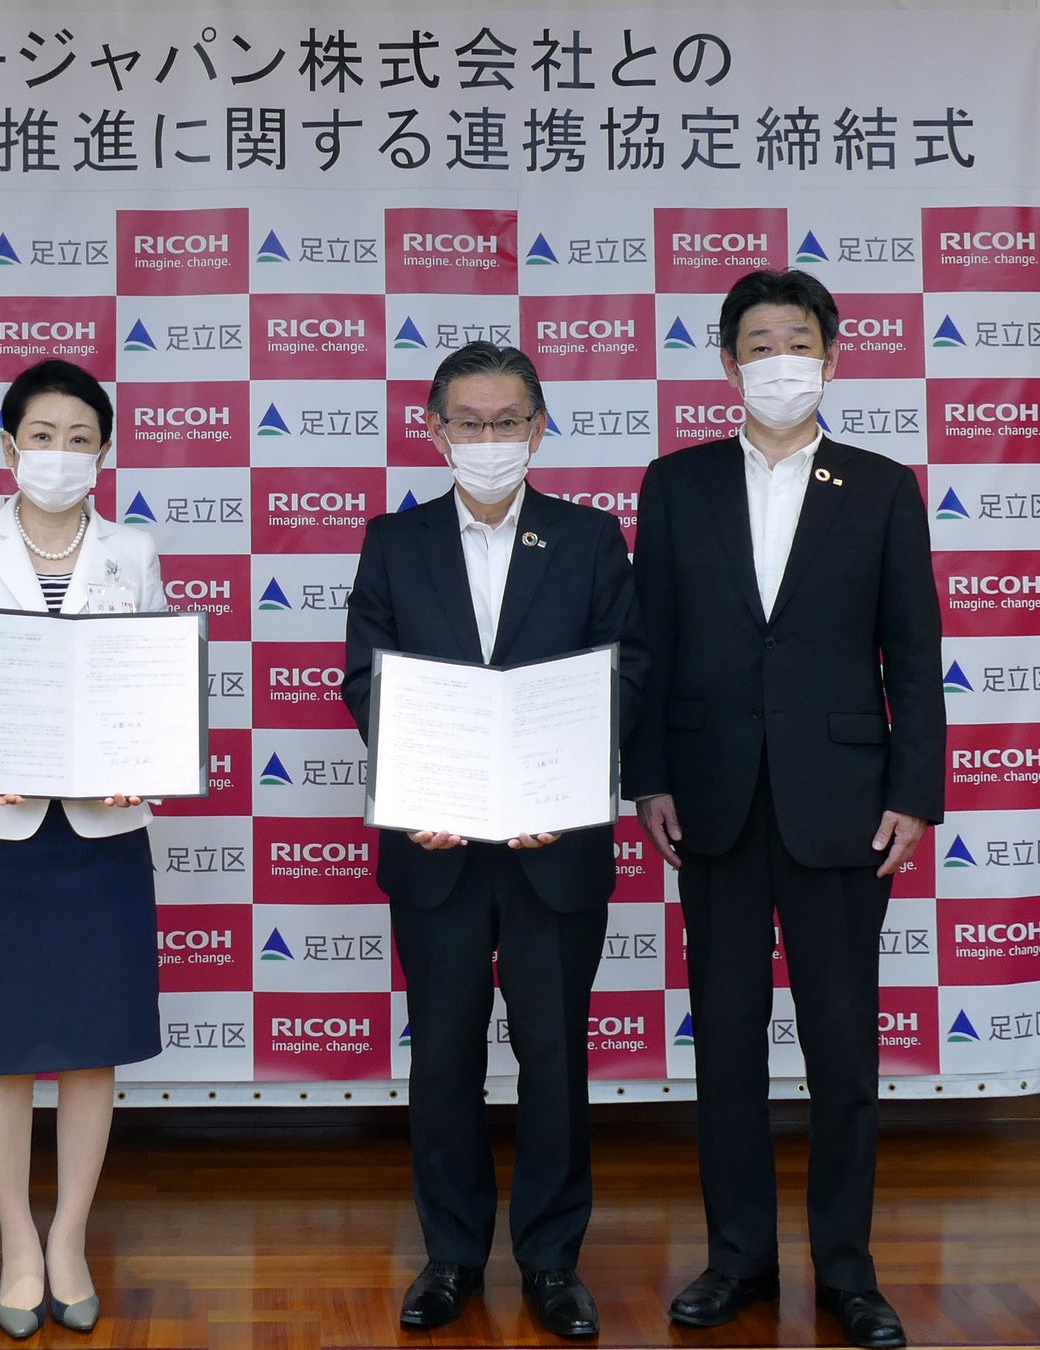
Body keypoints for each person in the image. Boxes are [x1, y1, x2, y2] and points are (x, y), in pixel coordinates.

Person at [624, 268, 944, 1350]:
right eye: (756, 345)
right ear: (727, 364)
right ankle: (738, 1261)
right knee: (724, 1043)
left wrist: (913, 793)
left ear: (832, 357)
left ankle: (847, 1272)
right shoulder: (676, 484)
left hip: (843, 806)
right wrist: (647, 776)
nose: (778, 363)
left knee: (842, 1049)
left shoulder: (883, 487)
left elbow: (913, 653)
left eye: (796, 342)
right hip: (711, 801)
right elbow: (648, 645)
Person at [342, 341, 648, 1340]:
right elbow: (367, 678)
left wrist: (562, 782)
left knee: (553, 1055)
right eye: (467, 422)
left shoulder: (590, 538)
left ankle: (553, 1263)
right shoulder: (394, 541)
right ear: (434, 431)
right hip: (433, 845)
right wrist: (419, 785)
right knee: (442, 1057)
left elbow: (626, 671)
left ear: (538, 429)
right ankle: (451, 1257)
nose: (488, 438)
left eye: (506, 421)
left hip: (550, 843)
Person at [0, 359, 165, 1339]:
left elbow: (146, 677)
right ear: (7, 447)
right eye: (42, 436)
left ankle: (69, 1238)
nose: (59, 455)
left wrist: (138, 761)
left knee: (92, 1044)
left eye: (80, 439)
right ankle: (18, 1242)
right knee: (3, 1045)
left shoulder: (131, 550)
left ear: (104, 453)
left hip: (100, 830)